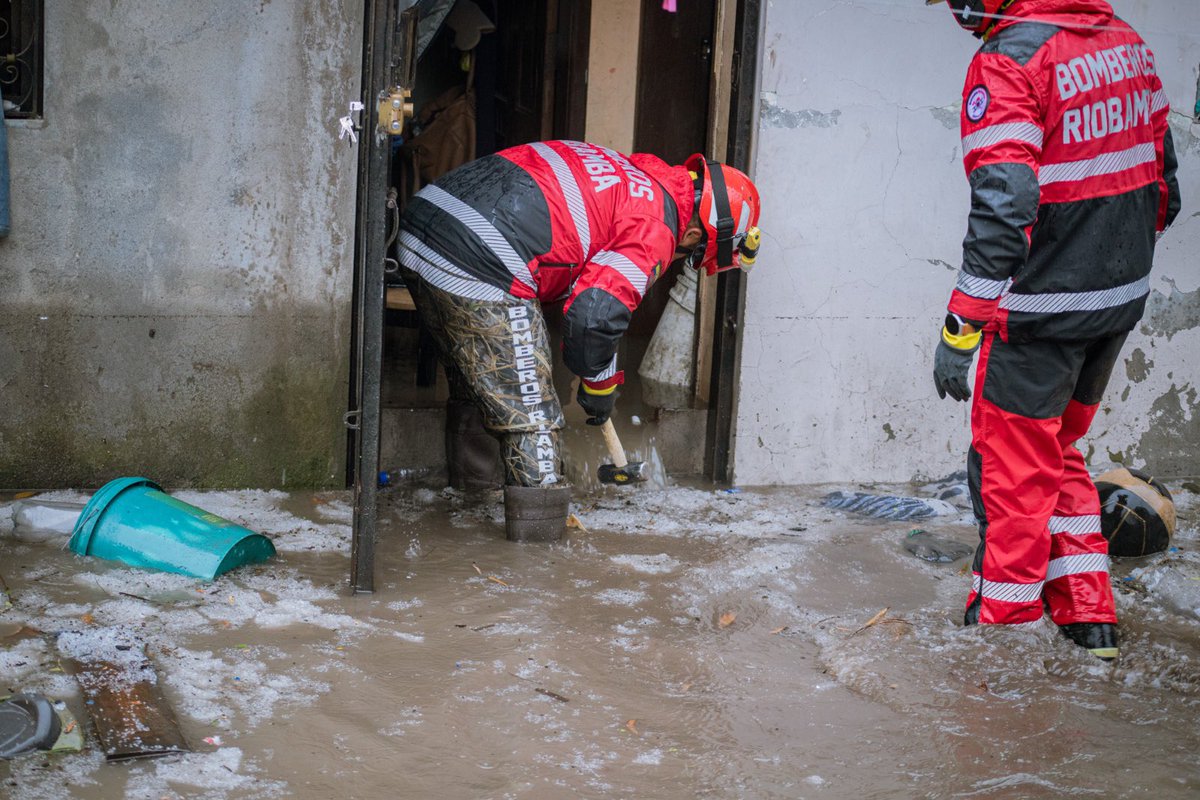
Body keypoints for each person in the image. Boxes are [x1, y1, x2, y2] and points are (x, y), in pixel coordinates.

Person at [928, 0, 1180, 659]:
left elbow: (1005, 205)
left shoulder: (1009, 59)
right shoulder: (1123, 39)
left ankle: (1002, 647)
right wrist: (1106, 266)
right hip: (1115, 304)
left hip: (1041, 313)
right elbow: (1165, 187)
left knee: (1011, 480)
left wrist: (961, 326)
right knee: (1057, 450)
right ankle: (1091, 623)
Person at [397, 140, 761, 541]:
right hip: (478, 255)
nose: (681, 259)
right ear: (692, 232)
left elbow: (589, 298)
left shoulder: (639, 175)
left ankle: (470, 503)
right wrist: (601, 386)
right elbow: (592, 320)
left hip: (424, 225)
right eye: (693, 254)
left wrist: (598, 372)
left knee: (481, 386)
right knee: (532, 418)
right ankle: (539, 553)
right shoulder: (655, 227)